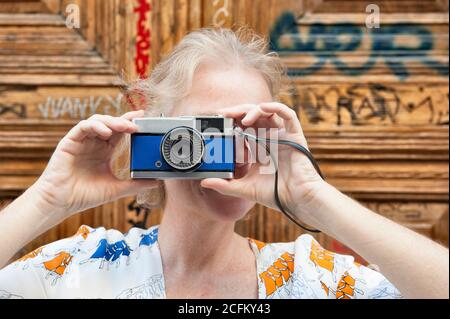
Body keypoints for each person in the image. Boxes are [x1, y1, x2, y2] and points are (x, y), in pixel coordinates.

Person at [0, 28, 448, 299]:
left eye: (250, 129)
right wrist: (46, 201)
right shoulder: (80, 267)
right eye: (207, 129)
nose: (234, 154)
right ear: (155, 131)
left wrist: (315, 200)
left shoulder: (312, 278)